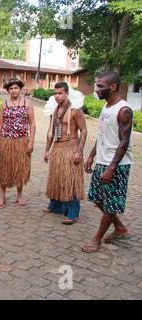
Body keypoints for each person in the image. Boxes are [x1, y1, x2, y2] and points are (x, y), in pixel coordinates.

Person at [82, 71, 134, 253]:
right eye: (97, 85)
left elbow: (124, 142)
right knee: (96, 197)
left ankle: (97, 239)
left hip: (117, 164)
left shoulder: (123, 110)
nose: (97, 89)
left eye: (101, 86)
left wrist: (111, 168)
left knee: (111, 202)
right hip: (102, 161)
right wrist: (91, 156)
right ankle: (119, 227)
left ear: (113, 86)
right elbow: (103, 135)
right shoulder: (106, 107)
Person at [43, 82, 87, 224]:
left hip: (71, 148)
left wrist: (79, 151)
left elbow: (84, 131)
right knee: (56, 178)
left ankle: (72, 213)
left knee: (71, 181)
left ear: (67, 93)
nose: (57, 96)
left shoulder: (75, 110)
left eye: (60, 93)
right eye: (55, 93)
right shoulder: (54, 110)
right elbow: (51, 132)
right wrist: (47, 150)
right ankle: (55, 206)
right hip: (57, 149)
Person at [0, 78, 35, 207]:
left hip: (22, 140)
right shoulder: (4, 104)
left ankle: (20, 195)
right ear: (8, 91)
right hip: (6, 140)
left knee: (20, 168)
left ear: (20, 89)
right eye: (11, 89)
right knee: (4, 167)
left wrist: (31, 142)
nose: (13, 90)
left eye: (16, 88)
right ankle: (2, 195)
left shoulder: (27, 103)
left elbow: (32, 123)